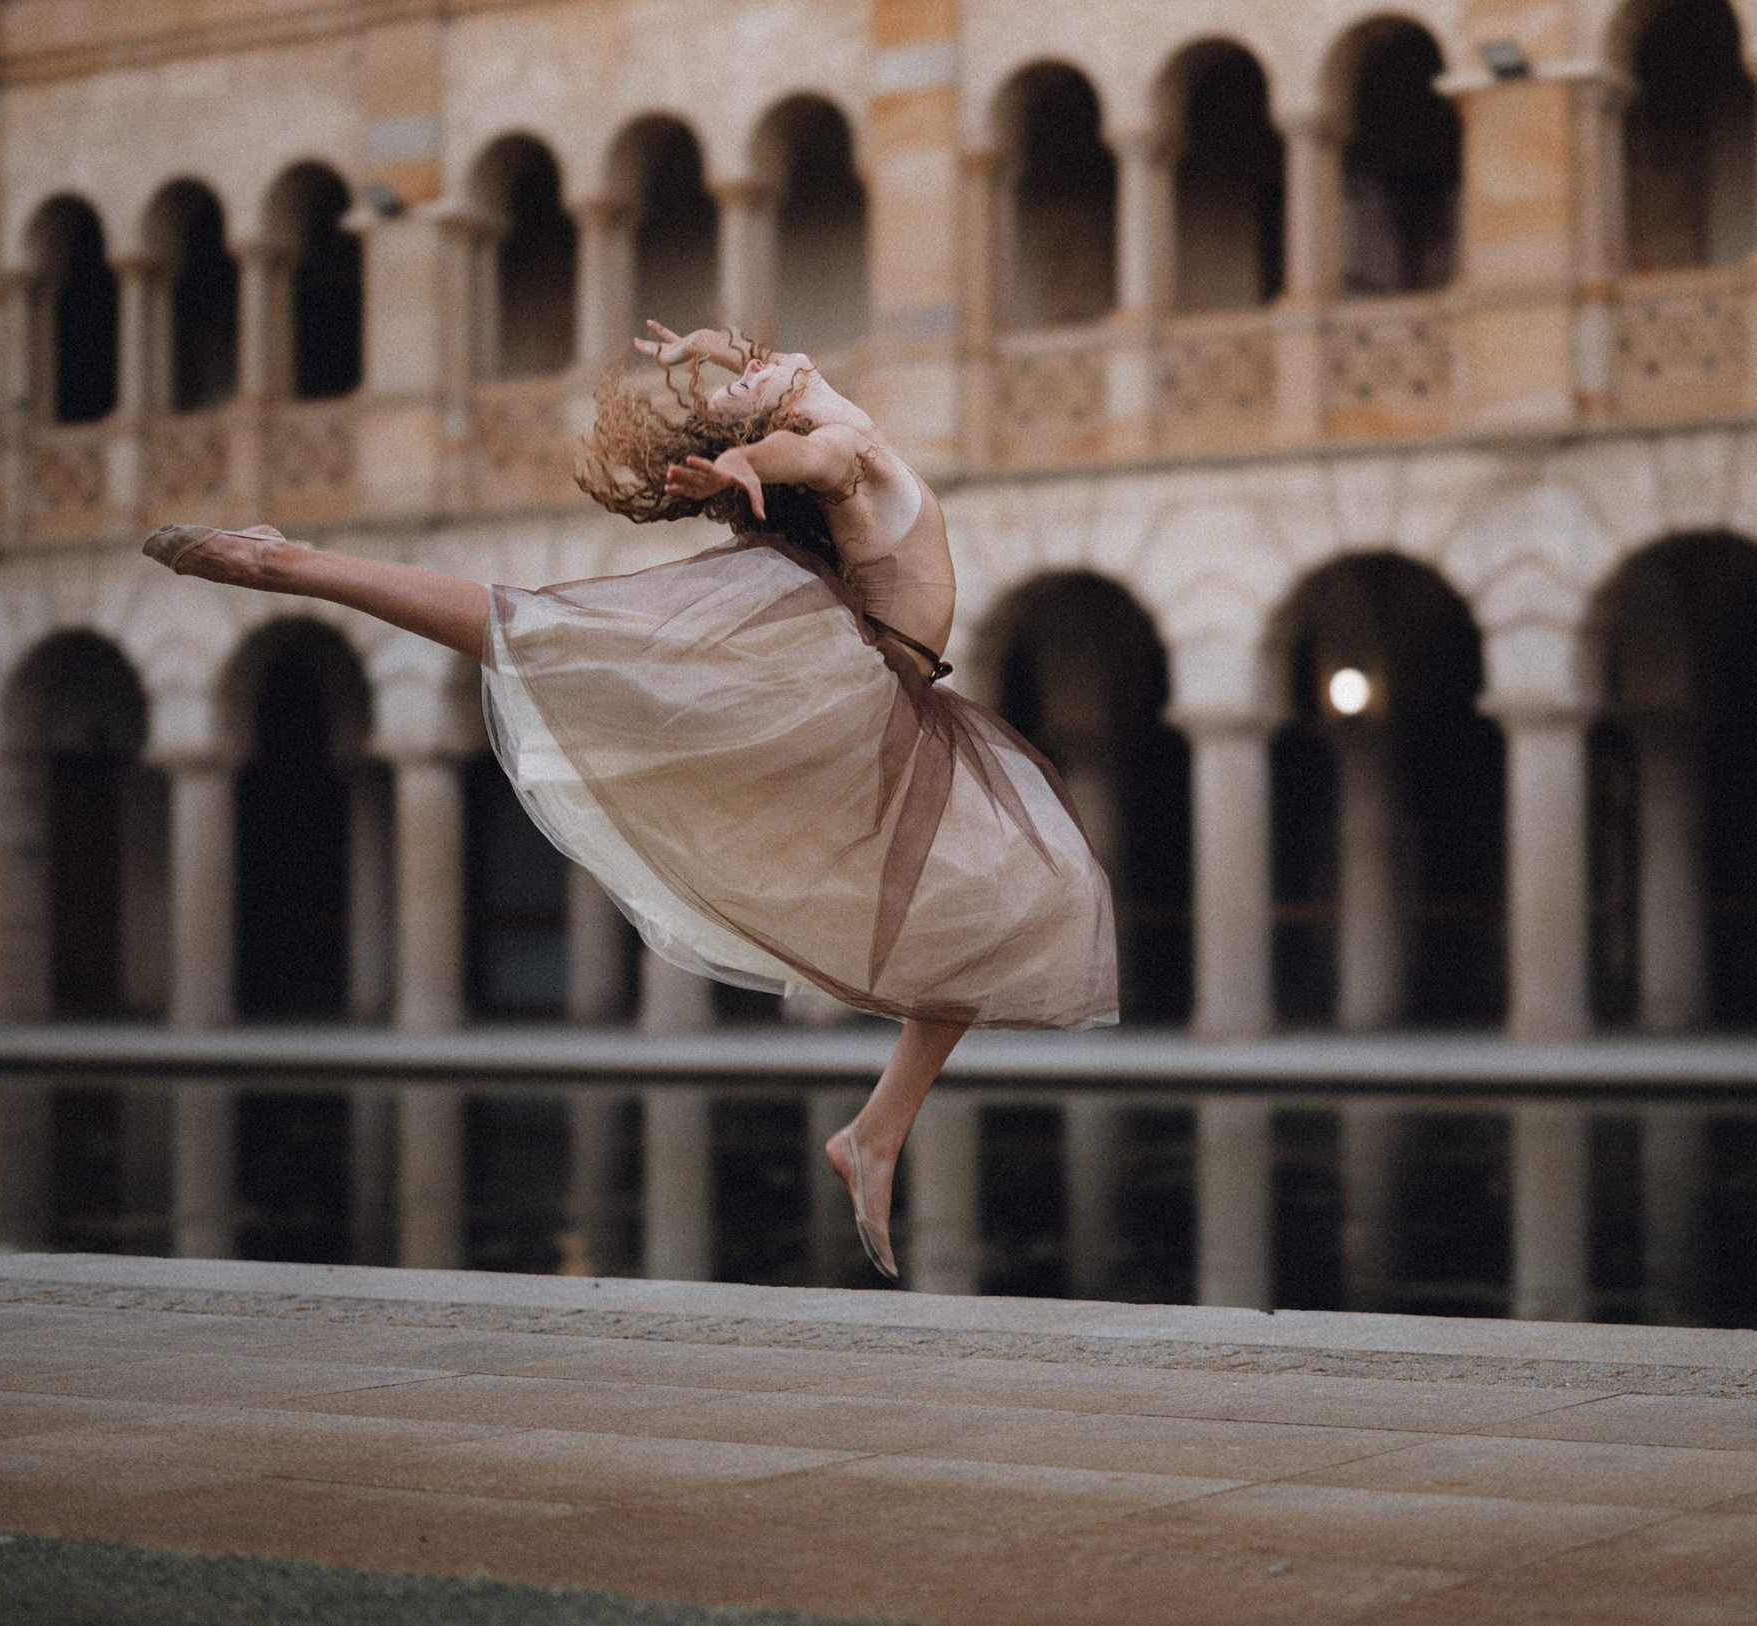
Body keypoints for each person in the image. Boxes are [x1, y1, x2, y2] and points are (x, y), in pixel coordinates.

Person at [143, 323, 1116, 1278]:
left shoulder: (820, 402)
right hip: (849, 692)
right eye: (739, 388)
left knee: (985, 906)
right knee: (540, 634)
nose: (744, 372)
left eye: (742, 377)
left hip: (876, 693)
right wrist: (745, 456)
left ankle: (874, 1134)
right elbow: (802, 450)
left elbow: (779, 379)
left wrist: (706, 350)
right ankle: (284, 561)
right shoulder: (840, 446)